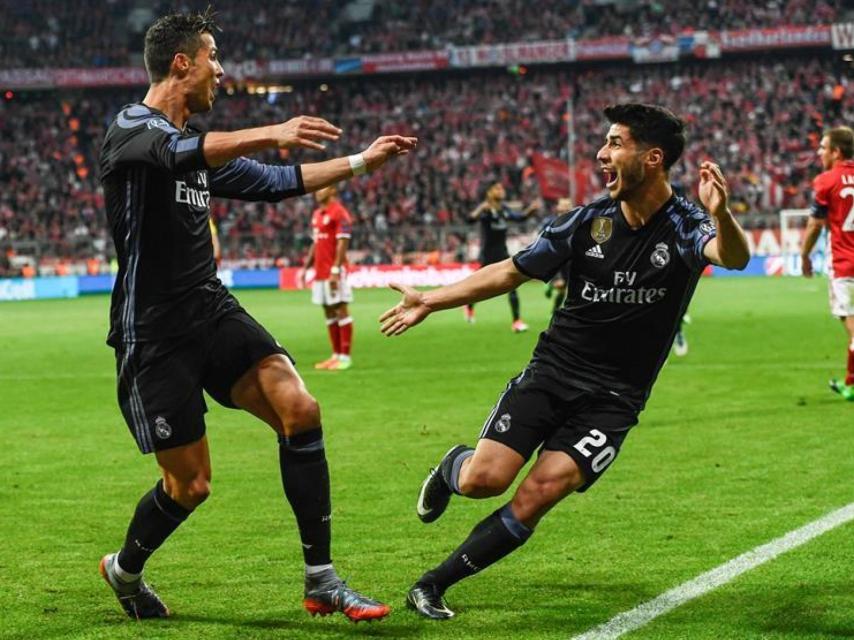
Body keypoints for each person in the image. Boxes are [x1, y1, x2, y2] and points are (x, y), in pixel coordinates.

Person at [97, 9, 416, 622]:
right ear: (182, 63)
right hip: (154, 330)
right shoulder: (131, 128)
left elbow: (275, 180)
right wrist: (274, 130)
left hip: (210, 308)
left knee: (300, 408)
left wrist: (361, 162)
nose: (221, 70)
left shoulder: (195, 145)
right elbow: (180, 151)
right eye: (213, 57)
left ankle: (322, 579)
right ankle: (125, 568)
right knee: (190, 486)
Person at [379, 103, 749, 619]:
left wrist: (722, 213)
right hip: (552, 374)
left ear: (653, 158)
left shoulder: (687, 224)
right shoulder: (586, 222)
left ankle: (432, 583)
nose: (602, 153)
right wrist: (431, 300)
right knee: (483, 481)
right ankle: (451, 466)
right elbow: (510, 271)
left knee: (541, 491)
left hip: (614, 399)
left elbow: (732, 257)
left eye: (616, 143)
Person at [800, 126, 854, 401]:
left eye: (823, 147)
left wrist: (804, 254)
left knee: (851, 324)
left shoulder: (826, 181)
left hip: (845, 263)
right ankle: (851, 384)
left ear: (836, 152)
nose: (819, 152)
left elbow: (815, 225)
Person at [464, 181, 541, 331]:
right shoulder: (486, 210)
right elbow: (470, 219)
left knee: (512, 284)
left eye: (501, 188)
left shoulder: (504, 209)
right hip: (487, 256)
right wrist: (480, 209)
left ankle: (516, 321)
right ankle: (469, 306)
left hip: (503, 254)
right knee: (478, 287)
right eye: (497, 188)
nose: (501, 190)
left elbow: (519, 217)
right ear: (489, 192)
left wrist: (530, 211)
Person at [300, 184, 355, 371]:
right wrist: (306, 268)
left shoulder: (340, 213)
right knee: (328, 311)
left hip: (334, 271)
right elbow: (316, 244)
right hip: (320, 272)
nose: (317, 192)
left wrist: (336, 270)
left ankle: (345, 358)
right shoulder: (317, 214)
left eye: (322, 188)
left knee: (340, 309)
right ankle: (335, 356)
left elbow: (342, 243)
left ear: (332, 190)